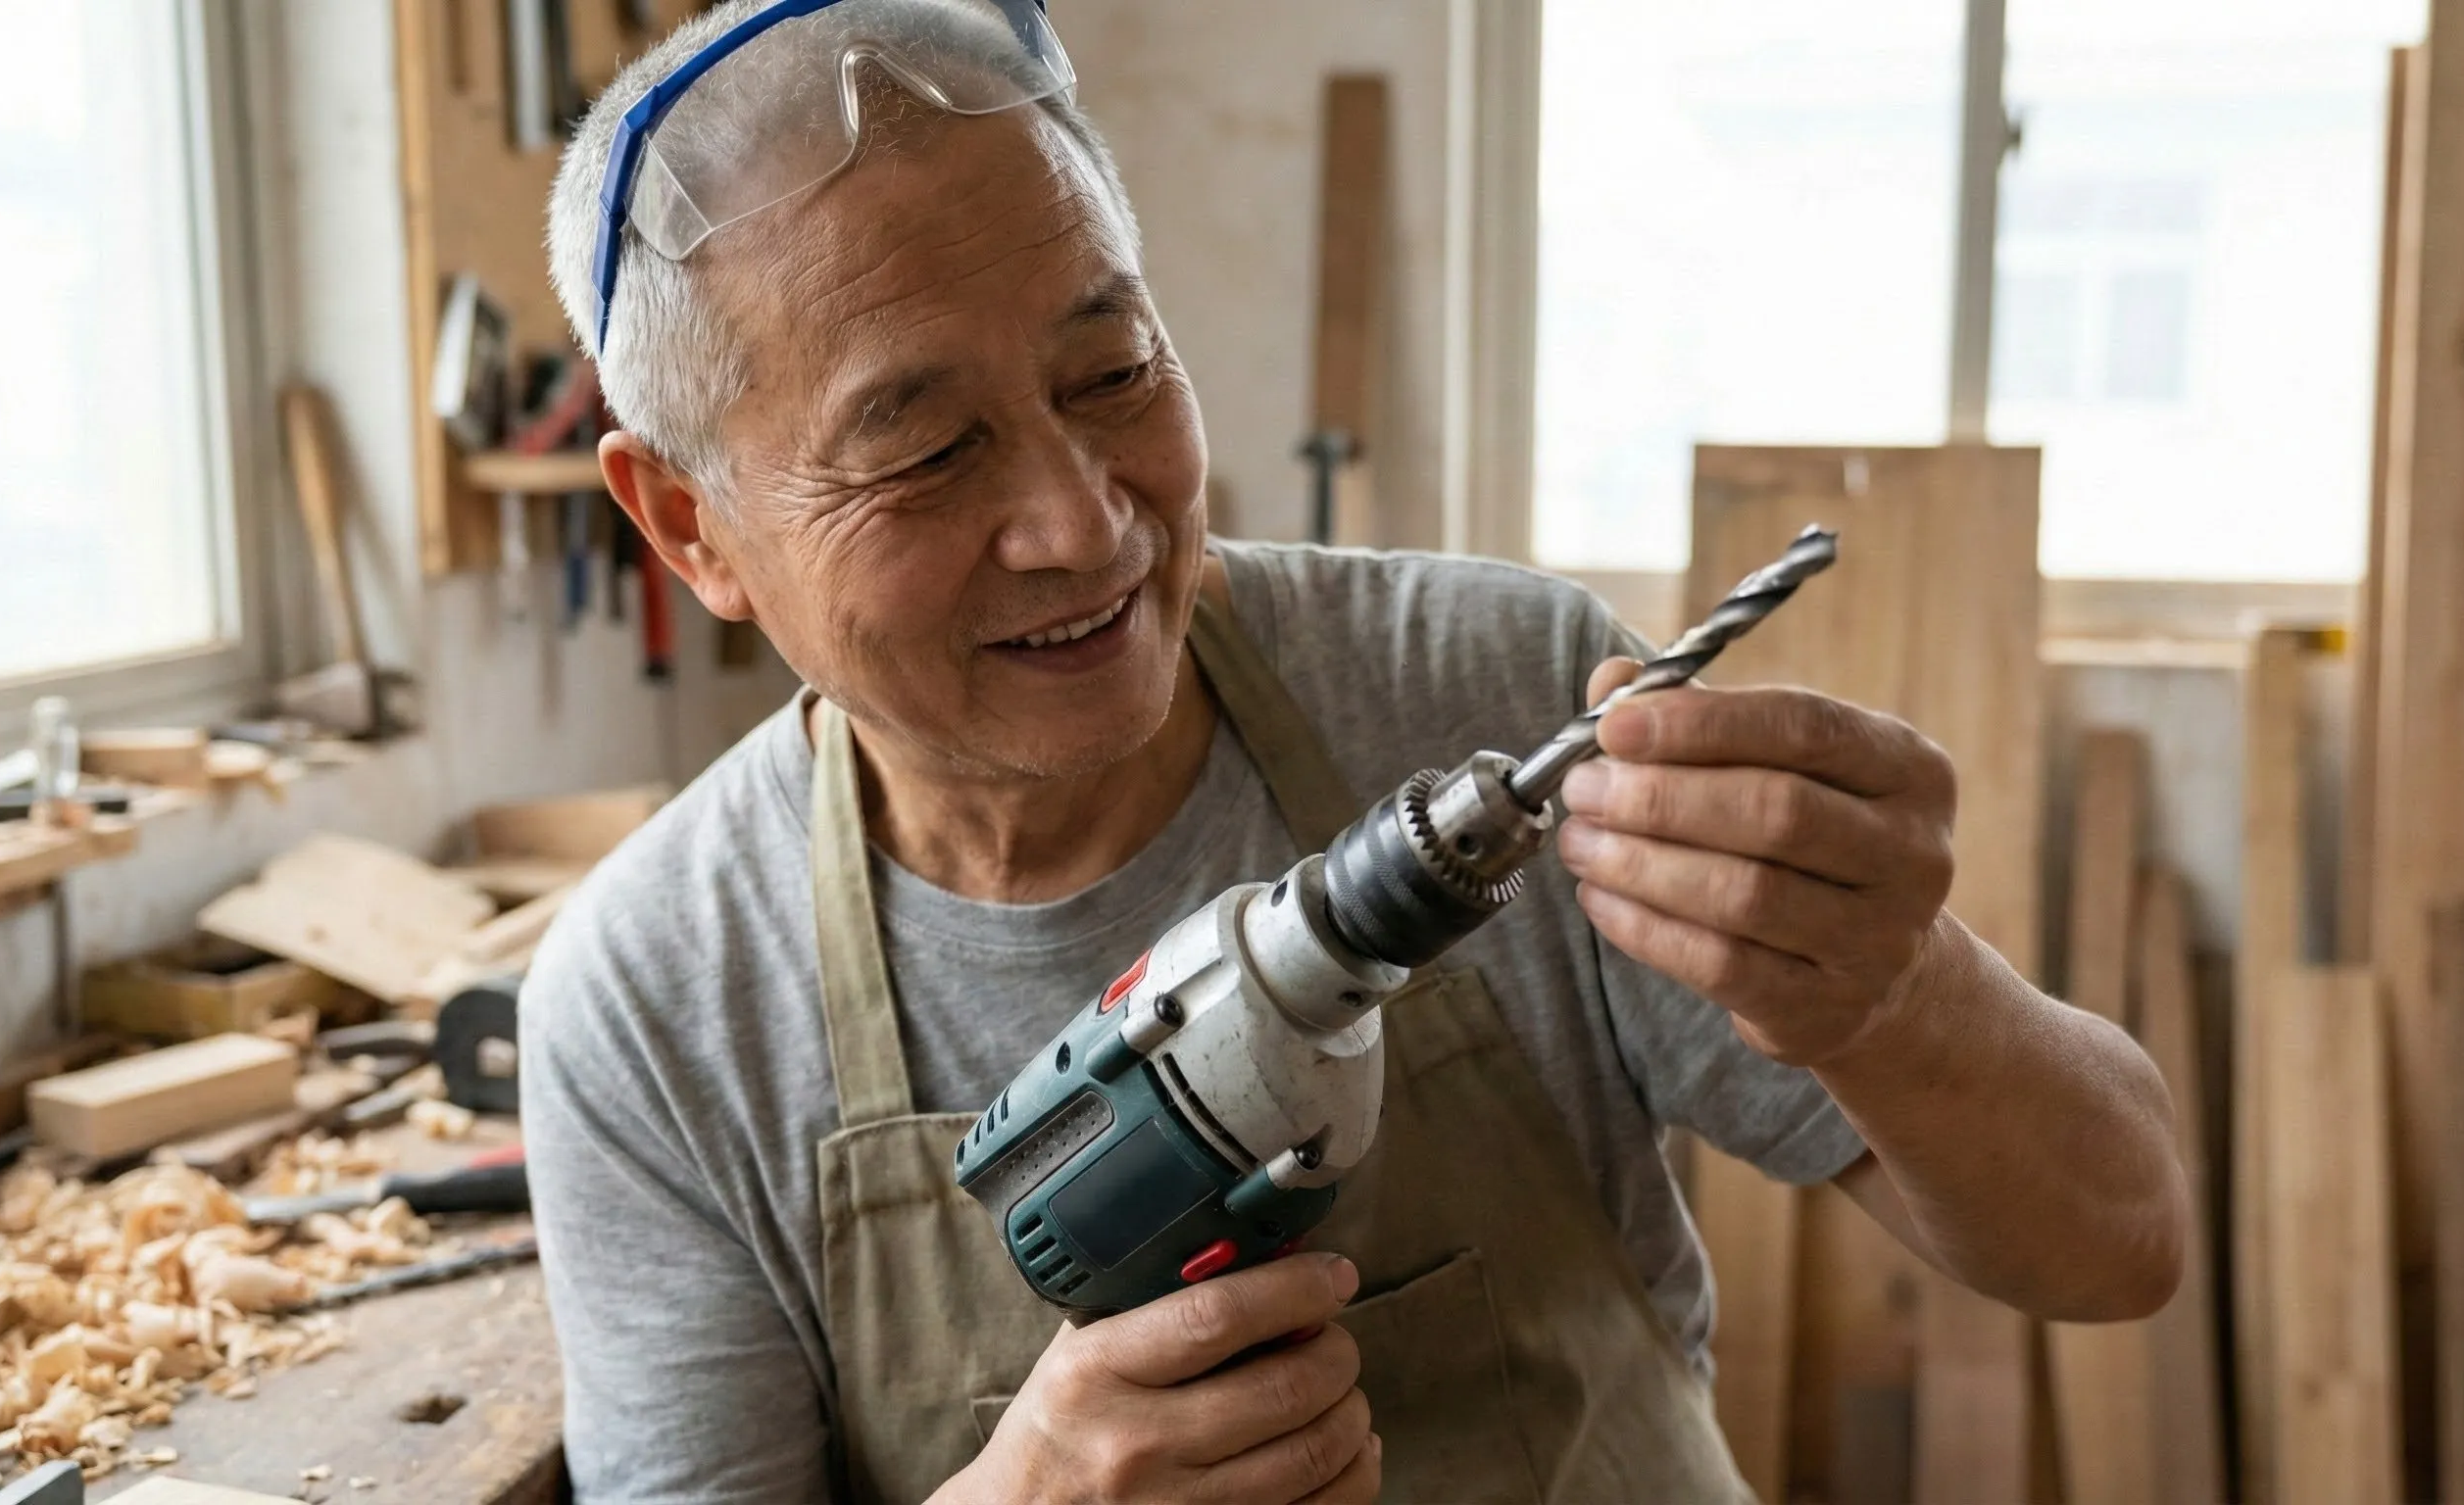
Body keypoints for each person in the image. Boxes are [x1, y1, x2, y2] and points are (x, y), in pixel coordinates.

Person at [521, 3, 2191, 1501]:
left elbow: (2121, 1244)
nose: (1082, 522)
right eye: (932, 451)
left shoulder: (1499, 692)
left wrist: (1899, 999)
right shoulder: (656, 1002)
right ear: (691, 530)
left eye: (1115, 372)